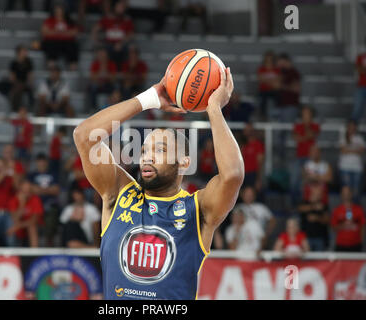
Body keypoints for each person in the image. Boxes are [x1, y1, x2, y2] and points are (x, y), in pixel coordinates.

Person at [74, 67, 244, 299]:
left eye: (160, 150)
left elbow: (232, 175)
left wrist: (213, 109)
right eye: (144, 150)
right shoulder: (119, 192)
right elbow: (84, 136)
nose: (147, 156)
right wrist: (148, 99)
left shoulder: (199, 209)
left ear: (184, 162)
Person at [27, 153, 60, 247]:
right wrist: (48, 190)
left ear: (47, 163)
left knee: (51, 222)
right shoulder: (32, 175)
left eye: (43, 162)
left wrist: (39, 190)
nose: (42, 164)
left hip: (50, 205)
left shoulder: (53, 174)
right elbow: (30, 189)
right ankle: (34, 248)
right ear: (37, 163)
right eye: (40, 162)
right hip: (35, 206)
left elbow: (56, 190)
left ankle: (49, 245)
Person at [291, 106, 320, 205]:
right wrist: (305, 137)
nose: (305, 115)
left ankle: (305, 204)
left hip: (311, 159)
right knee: (294, 181)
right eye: (304, 113)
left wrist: (304, 134)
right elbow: (296, 138)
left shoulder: (315, 125)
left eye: (307, 113)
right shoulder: (297, 126)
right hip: (299, 157)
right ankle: (294, 204)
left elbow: (311, 135)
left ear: (311, 115)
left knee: (306, 184)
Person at [92, 0, 134, 65]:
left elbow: (131, 34)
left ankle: (122, 70)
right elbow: (95, 29)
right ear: (114, 7)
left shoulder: (127, 20)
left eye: (122, 7)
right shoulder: (107, 18)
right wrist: (96, 40)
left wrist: (121, 43)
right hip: (108, 44)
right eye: (119, 6)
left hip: (122, 45)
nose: (121, 9)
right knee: (102, 52)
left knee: (130, 51)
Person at [41, 4, 80, 70]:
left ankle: (73, 66)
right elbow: (44, 32)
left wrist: (55, 32)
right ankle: (51, 65)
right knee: (50, 45)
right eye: (57, 11)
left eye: (60, 11)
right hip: (53, 42)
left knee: (73, 46)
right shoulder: (49, 20)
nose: (59, 13)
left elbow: (75, 32)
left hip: (67, 43)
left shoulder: (69, 21)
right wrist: (64, 33)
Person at [8, 180, 44, 247]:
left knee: (31, 227)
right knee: (9, 226)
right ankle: (12, 254)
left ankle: (34, 253)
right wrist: (22, 204)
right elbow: (14, 219)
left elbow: (34, 221)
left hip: (34, 227)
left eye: (29, 191)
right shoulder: (14, 200)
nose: (26, 193)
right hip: (19, 228)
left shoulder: (35, 199)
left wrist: (19, 226)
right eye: (24, 191)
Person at [331, 186, 366, 252]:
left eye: (348, 193)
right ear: (341, 195)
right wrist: (343, 225)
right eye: (344, 194)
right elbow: (333, 228)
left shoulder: (359, 210)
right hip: (341, 245)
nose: (346, 196)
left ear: (351, 194)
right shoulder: (337, 210)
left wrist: (361, 241)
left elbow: (363, 227)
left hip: (356, 244)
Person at [338, 120, 365, 202]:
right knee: (346, 189)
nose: (352, 128)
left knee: (356, 189)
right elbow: (343, 150)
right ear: (347, 127)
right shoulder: (343, 137)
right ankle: (345, 207)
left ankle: (356, 208)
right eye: (350, 126)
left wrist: (349, 150)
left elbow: (362, 151)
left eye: (354, 126)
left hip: (357, 168)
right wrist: (355, 150)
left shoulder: (359, 138)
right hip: (345, 167)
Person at [297, 182, 329, 251]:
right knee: (306, 260)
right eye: (317, 191)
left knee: (319, 260)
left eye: (320, 192)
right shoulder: (304, 202)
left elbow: (327, 220)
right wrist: (313, 206)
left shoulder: (323, 205)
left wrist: (317, 218)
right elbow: (300, 209)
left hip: (320, 237)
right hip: (306, 237)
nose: (319, 193)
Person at [8, 45, 34, 112]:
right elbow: (12, 76)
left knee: (19, 88)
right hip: (17, 83)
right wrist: (15, 83)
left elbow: (30, 75)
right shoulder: (14, 63)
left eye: (25, 51)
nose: (25, 53)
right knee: (17, 88)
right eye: (23, 51)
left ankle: (16, 109)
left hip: (25, 83)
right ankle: (17, 109)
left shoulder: (28, 62)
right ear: (18, 52)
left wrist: (30, 84)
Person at [240, 122, 265, 191]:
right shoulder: (243, 145)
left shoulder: (258, 144)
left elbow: (260, 163)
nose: (245, 131)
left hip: (253, 174)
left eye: (247, 130)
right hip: (243, 174)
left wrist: (258, 179)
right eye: (245, 130)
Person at [257, 51, 280, 120]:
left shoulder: (277, 69)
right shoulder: (261, 69)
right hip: (263, 91)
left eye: (270, 59)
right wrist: (272, 82)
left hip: (274, 91)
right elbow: (260, 80)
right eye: (267, 59)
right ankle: (263, 116)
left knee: (279, 96)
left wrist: (266, 80)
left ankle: (276, 115)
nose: (269, 61)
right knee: (263, 99)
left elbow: (278, 84)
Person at [351, 37, 366, 121]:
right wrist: (363, 70)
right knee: (357, 110)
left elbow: (362, 70)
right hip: (361, 86)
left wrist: (364, 69)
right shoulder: (360, 56)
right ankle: (352, 128)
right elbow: (358, 69)